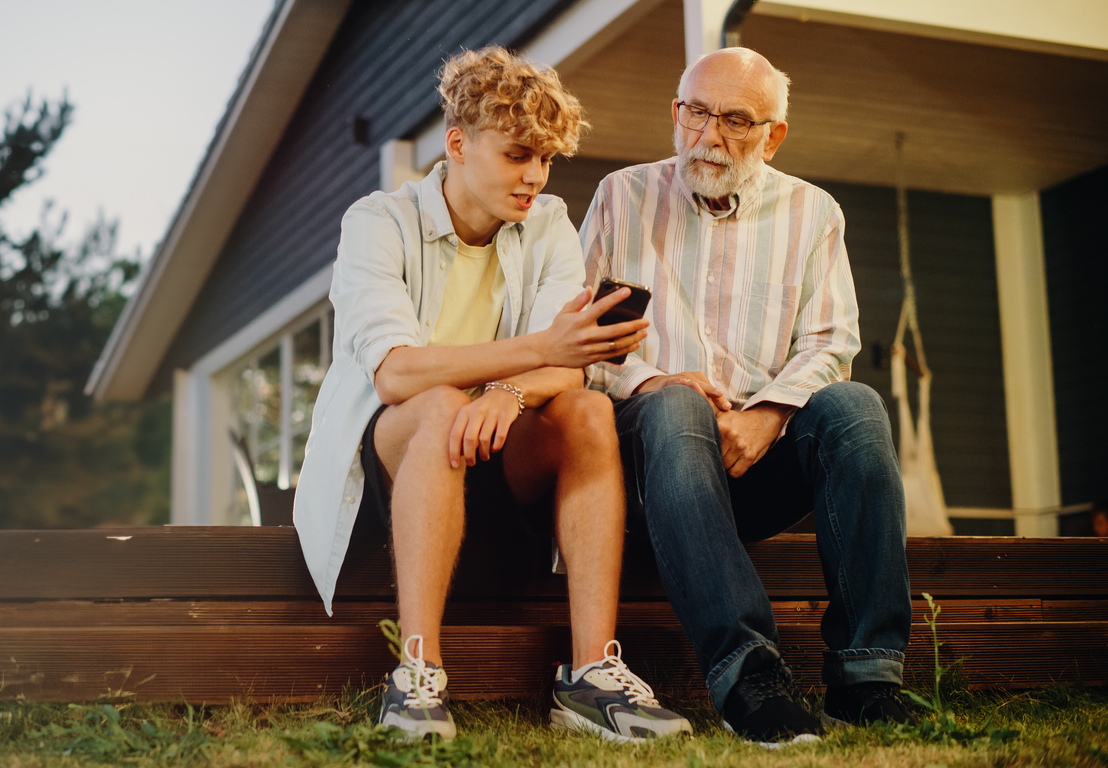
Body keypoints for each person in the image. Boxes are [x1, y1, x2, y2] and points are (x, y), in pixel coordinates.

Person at [293, 47, 693, 742]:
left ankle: (591, 676)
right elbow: (395, 374)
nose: (533, 176)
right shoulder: (377, 221)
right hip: (400, 452)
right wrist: (537, 354)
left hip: (503, 447)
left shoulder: (546, 223)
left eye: (545, 159)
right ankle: (416, 674)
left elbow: (567, 370)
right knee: (440, 403)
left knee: (590, 408)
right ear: (457, 145)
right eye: (516, 155)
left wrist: (509, 392)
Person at [579, 47, 914, 746]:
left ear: (773, 133)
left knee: (855, 407)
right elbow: (578, 344)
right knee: (678, 405)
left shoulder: (812, 212)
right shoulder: (620, 196)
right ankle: (747, 672)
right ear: (675, 112)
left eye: (734, 120)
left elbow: (831, 342)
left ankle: (867, 678)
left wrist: (767, 414)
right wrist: (655, 380)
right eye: (695, 112)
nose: (708, 136)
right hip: (654, 470)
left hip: (752, 467)